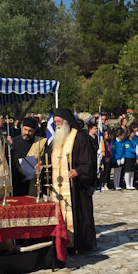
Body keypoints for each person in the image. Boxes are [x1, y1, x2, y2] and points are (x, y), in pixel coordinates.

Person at [49, 108, 97, 253]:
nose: (57, 125)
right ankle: (62, 243)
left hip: (76, 187)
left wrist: (78, 171)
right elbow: (49, 158)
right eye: (55, 122)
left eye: (59, 121)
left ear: (67, 122)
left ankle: (79, 244)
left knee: (79, 215)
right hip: (58, 188)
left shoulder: (80, 137)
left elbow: (89, 162)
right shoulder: (56, 139)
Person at [11, 117, 46, 197]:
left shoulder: (40, 142)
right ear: (21, 127)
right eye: (25, 129)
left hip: (34, 181)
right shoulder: (13, 142)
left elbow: (44, 159)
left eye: (30, 131)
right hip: (17, 182)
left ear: (34, 130)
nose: (27, 133)